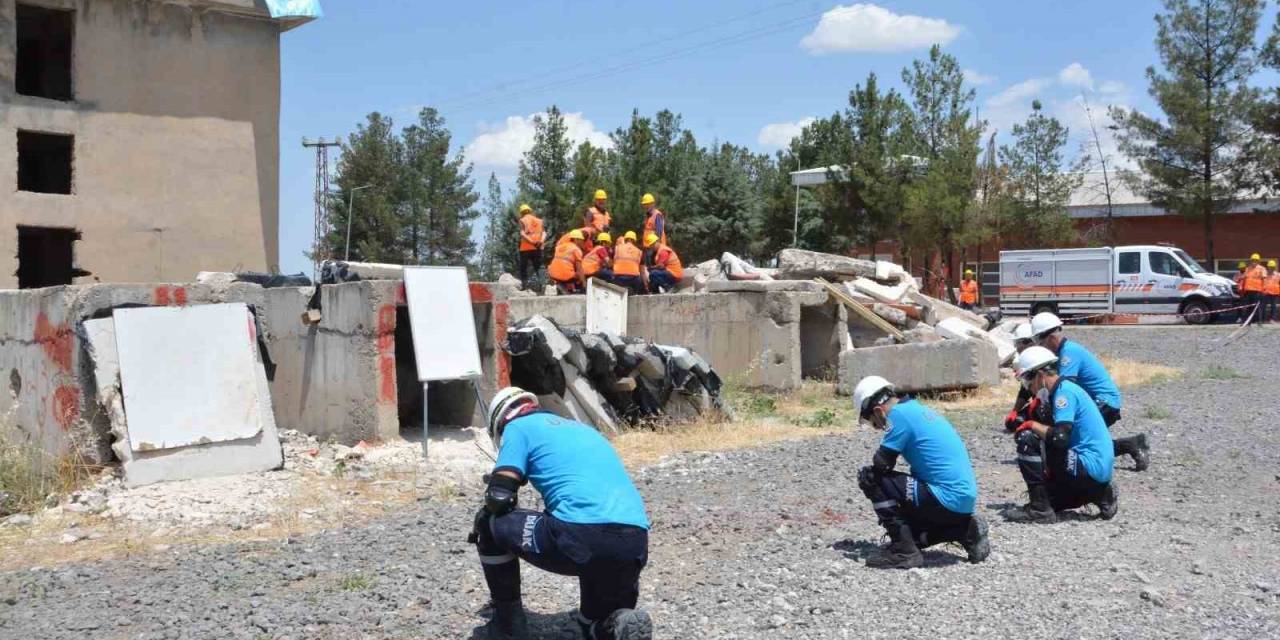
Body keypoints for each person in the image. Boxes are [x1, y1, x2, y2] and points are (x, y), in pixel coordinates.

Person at [470, 387, 652, 640]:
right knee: (587, 626)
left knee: (488, 522)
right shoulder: (585, 430)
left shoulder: (517, 427)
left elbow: (499, 497)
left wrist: (497, 493)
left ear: (499, 424)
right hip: (634, 543)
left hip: (581, 538)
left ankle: (507, 623)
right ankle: (614, 624)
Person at [851, 376, 990, 569]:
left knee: (871, 478)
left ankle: (903, 552)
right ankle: (964, 530)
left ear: (877, 411)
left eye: (873, 423)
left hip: (943, 497)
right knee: (914, 536)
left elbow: (882, 463)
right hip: (961, 500)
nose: (877, 428)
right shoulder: (918, 409)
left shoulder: (898, 416)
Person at [1007, 346, 1118, 523]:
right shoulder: (1062, 390)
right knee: (1053, 499)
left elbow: (1059, 438)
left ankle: (1040, 510)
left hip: (1088, 465)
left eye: (1028, 379)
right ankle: (1100, 493)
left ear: (1041, 374)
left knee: (1027, 439)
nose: (1028, 387)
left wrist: (1031, 424)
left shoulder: (1064, 394)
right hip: (1096, 469)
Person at [1029, 312, 1150, 471]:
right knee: (1077, 439)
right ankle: (1130, 445)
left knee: (1070, 439)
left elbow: (1063, 388)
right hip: (1096, 401)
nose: (1040, 347)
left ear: (1051, 337)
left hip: (1105, 402)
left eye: (1040, 341)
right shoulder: (1063, 352)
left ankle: (1131, 445)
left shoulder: (1068, 354)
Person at [516, 204, 544, 291]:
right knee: (539, 267)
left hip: (525, 248)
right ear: (530, 211)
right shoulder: (539, 220)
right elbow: (544, 233)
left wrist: (532, 242)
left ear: (521, 213)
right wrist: (541, 241)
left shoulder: (522, 220)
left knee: (523, 268)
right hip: (537, 247)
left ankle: (525, 286)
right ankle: (543, 286)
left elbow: (522, 233)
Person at [549, 230, 587, 294]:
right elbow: (579, 269)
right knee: (580, 275)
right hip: (564, 275)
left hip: (552, 274)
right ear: (576, 239)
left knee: (568, 270)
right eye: (581, 240)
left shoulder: (559, 247)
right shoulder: (576, 249)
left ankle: (563, 287)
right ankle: (575, 291)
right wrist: (584, 284)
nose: (583, 242)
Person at [1241, 253, 1266, 325]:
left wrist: (1263, 289)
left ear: (1258, 261)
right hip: (1248, 290)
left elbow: (1264, 279)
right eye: (1252, 260)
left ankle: (1259, 321)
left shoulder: (1262, 269)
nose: (1254, 262)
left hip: (1257, 290)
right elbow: (1244, 278)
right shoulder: (1247, 269)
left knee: (1257, 307)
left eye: (1255, 260)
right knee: (1248, 307)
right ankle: (1247, 321)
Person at [1264, 259, 1279, 323]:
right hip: (1266, 292)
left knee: (1273, 306)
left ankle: (1273, 319)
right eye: (1270, 267)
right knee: (1263, 306)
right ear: (1268, 267)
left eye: (1272, 267)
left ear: (1274, 267)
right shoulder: (1265, 274)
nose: (1271, 268)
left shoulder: (1278, 274)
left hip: (1275, 293)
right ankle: (1263, 319)